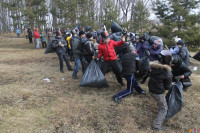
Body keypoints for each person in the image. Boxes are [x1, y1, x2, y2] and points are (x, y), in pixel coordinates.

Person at [148, 50, 173, 131]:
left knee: (161, 103)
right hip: (158, 92)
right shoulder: (167, 73)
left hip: (151, 89)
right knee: (164, 109)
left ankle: (159, 107)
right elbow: (167, 87)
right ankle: (156, 125)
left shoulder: (154, 67)